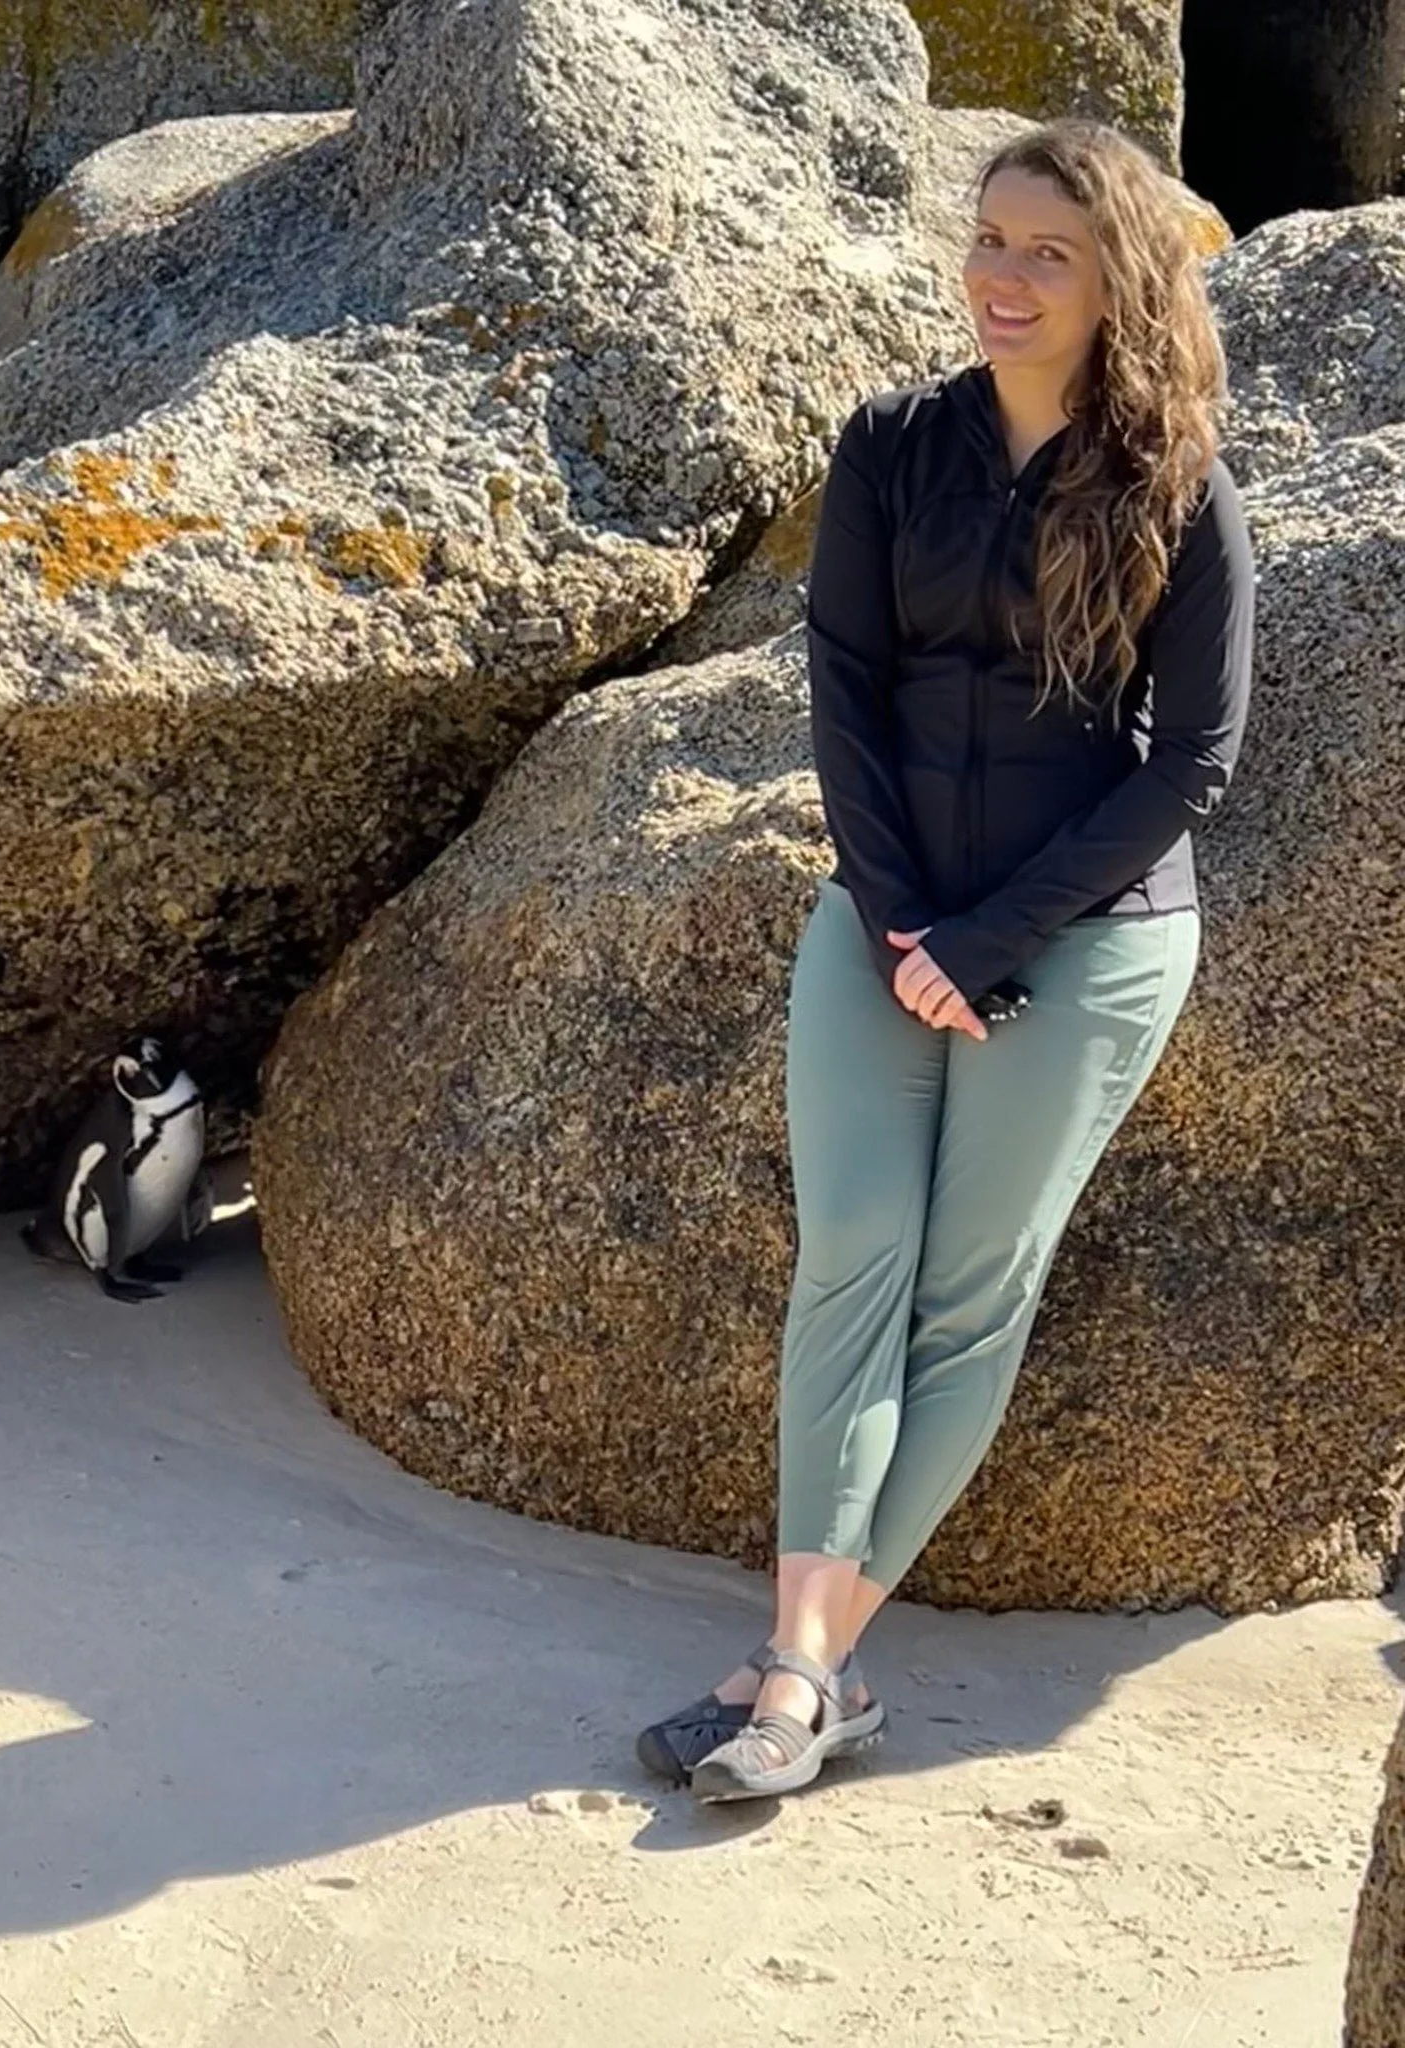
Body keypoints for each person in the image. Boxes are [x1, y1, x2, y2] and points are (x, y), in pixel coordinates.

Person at [636, 120, 1256, 1804]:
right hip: (887, 921)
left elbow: (1192, 759)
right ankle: (807, 1665)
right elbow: (844, 688)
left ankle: (796, 1672)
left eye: (1046, 251)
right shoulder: (894, 446)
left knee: (967, 1300)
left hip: (1089, 943)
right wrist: (905, 922)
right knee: (848, 1253)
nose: (1002, 275)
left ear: (1119, 274)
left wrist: (989, 942)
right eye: (988, 239)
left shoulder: (1181, 487)